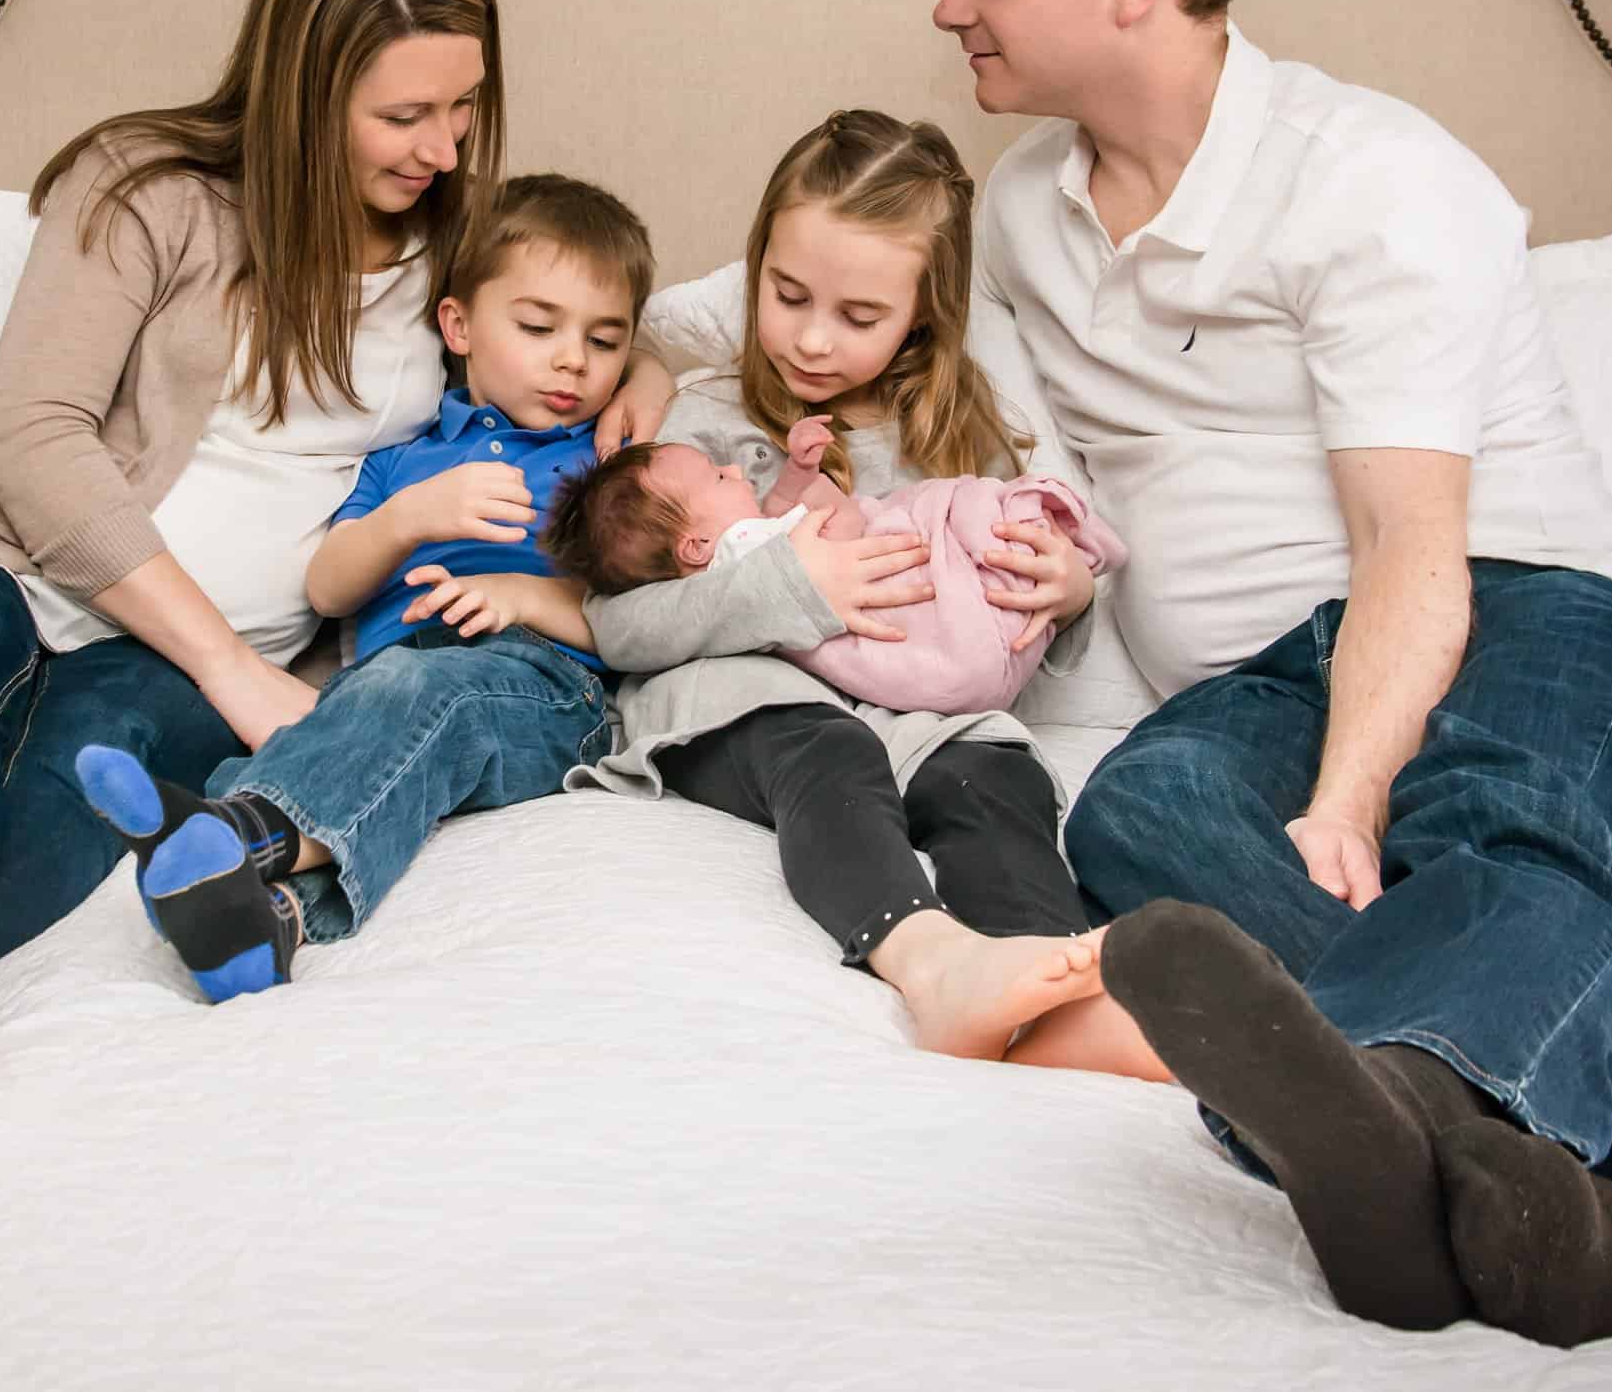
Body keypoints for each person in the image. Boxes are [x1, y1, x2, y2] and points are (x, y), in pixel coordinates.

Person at [0, 0, 670, 1157]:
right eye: (405, 116)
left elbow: (599, 311)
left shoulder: (461, 234)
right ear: (305, 94)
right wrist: (229, 667)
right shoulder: (147, 189)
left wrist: (648, 381)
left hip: (187, 655)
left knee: (91, 777)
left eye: (465, 106)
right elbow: (32, 435)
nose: (447, 147)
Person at [937, 0, 1612, 1344]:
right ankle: (1543, 1183)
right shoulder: (1020, 208)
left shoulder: (1371, 178)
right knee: (1143, 802)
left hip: (1535, 608)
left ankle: (1435, 1111)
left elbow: (1411, 548)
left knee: (1506, 814)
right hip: (1269, 675)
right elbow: (1036, 477)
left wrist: (1346, 795)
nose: (947, 2)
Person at [572, 108, 1124, 1066]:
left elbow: (1003, 600)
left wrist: (1063, 591)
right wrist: (790, 583)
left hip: (914, 713)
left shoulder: (955, 437)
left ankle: (1049, 984)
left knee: (993, 775)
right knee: (825, 750)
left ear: (921, 315)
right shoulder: (702, 423)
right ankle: (929, 963)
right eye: (786, 295)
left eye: (859, 317)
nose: (813, 340)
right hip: (751, 707)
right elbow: (617, 625)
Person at [75, 174, 650, 1000]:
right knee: (350, 734)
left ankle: (232, 827)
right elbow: (329, 588)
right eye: (537, 326)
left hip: (551, 694)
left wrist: (522, 598)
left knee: (417, 694)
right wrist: (408, 517)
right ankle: (259, 920)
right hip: (385, 684)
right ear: (457, 324)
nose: (573, 360)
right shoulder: (400, 461)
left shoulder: (600, 463)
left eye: (605, 341)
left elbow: (644, 622)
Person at [547, 412, 1124, 714]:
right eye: (716, 477)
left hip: (889, 561)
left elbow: (780, 515)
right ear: (696, 548)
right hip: (889, 590)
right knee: (971, 536)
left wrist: (798, 474)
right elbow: (826, 536)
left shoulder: (741, 544)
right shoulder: (732, 570)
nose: (734, 471)